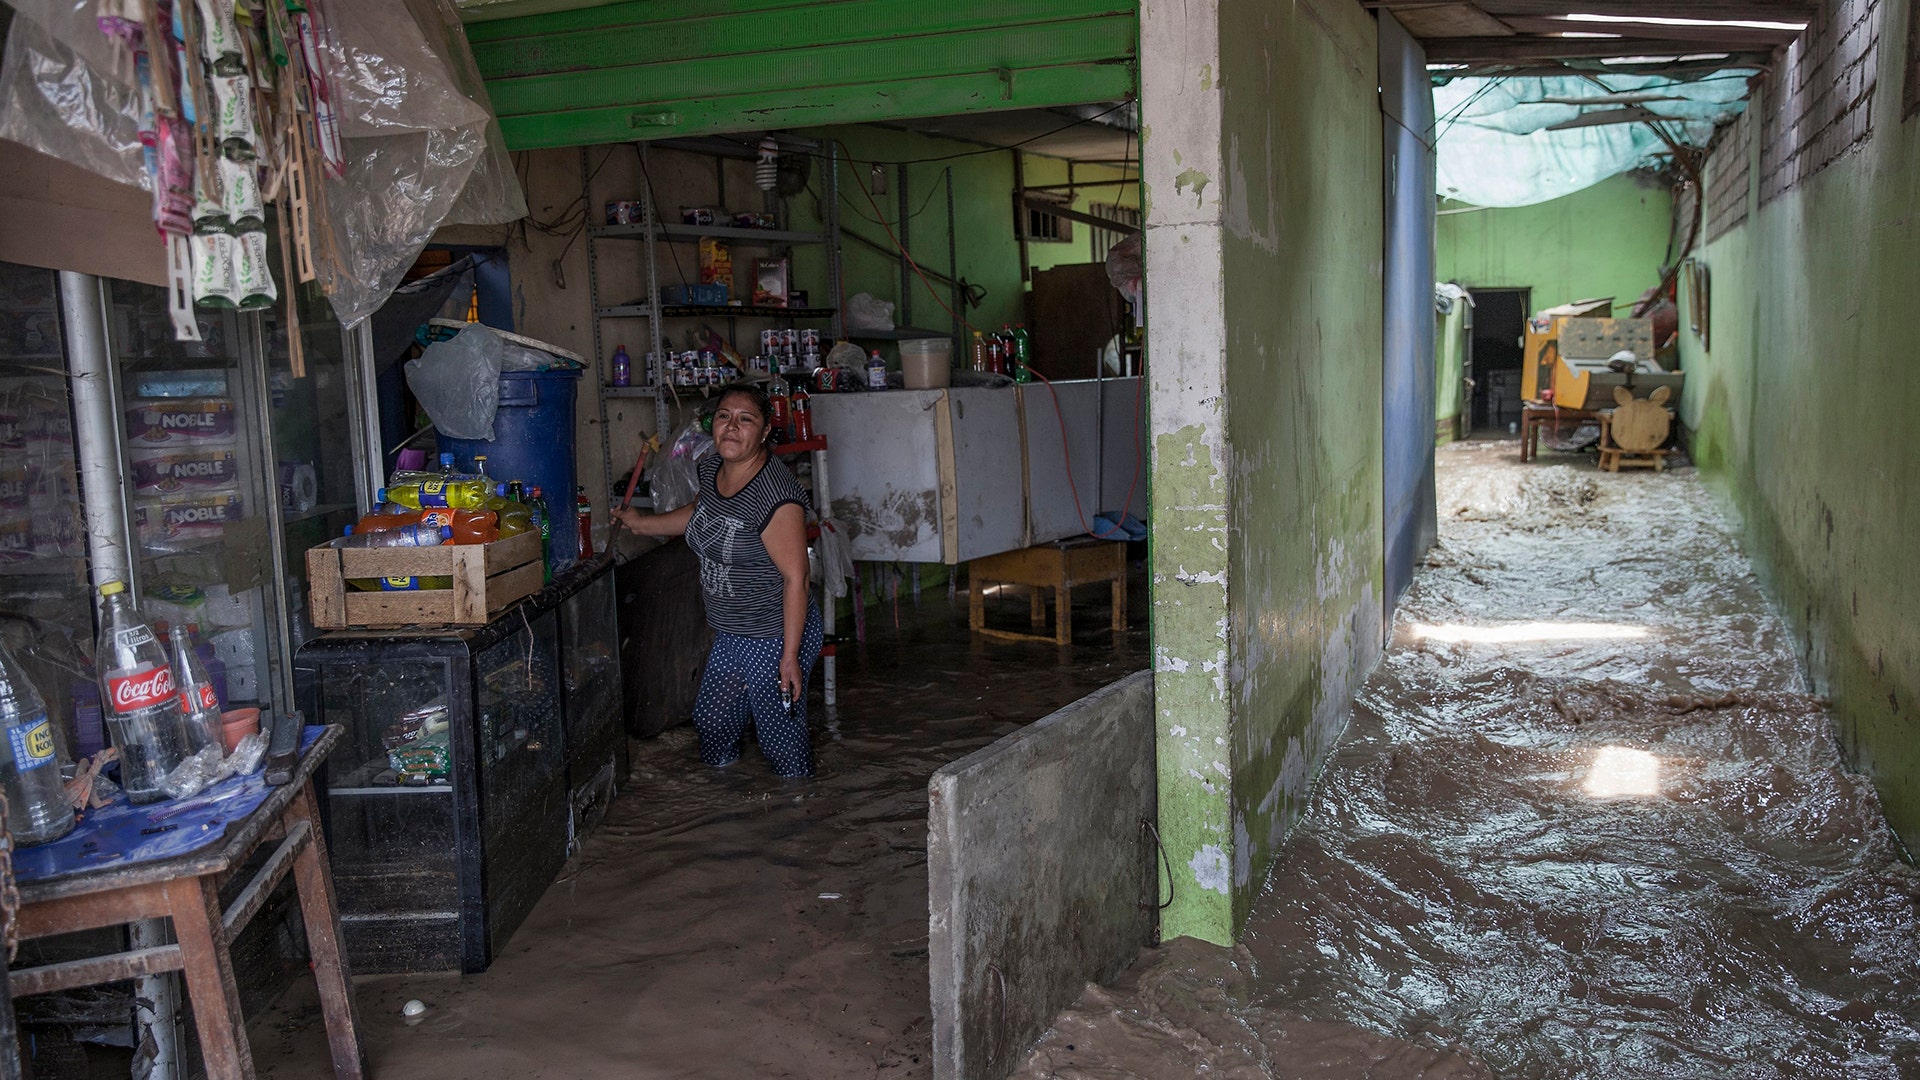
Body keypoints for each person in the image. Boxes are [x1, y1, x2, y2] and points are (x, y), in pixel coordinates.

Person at [615, 385, 823, 777]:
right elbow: (700, 512)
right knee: (712, 726)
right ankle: (727, 814)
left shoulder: (775, 496)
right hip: (732, 632)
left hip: (774, 634)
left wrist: (790, 657)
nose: (732, 427)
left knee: (781, 743)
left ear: (763, 433)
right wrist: (642, 525)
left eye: (746, 419)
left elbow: (797, 579)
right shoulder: (711, 467)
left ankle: (799, 813)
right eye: (724, 416)